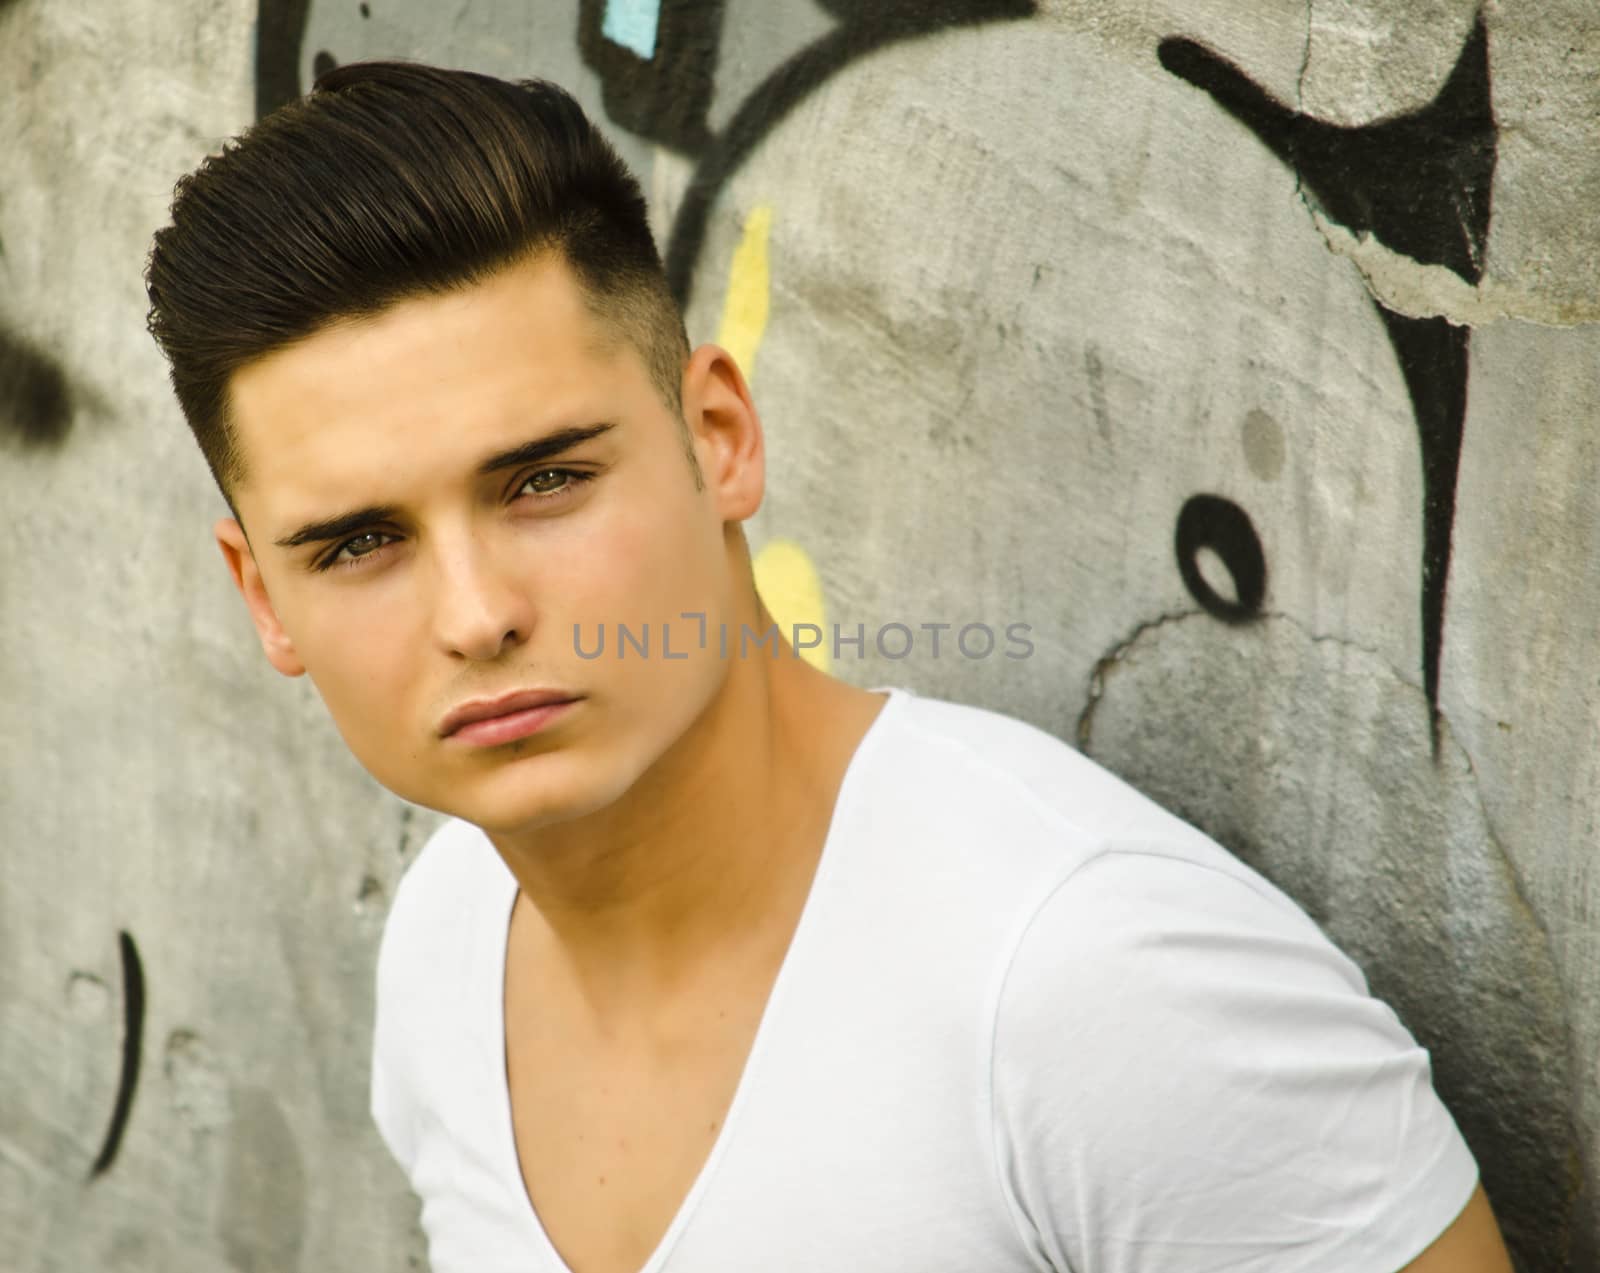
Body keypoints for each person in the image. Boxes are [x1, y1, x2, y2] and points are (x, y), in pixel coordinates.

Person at [144, 61, 1514, 1273]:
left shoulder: (1088, 982)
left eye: (547, 479)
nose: (478, 611)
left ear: (721, 438)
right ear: (263, 597)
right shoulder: (447, 945)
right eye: (360, 542)